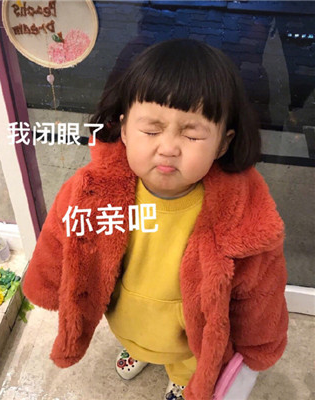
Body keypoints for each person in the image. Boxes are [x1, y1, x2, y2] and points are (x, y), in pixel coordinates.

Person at [22, 39, 289, 400]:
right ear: (124, 129)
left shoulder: (244, 216)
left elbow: (260, 288)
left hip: (188, 337)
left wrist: (259, 343)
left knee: (187, 362)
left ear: (222, 144)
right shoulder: (92, 190)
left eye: (192, 134)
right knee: (134, 335)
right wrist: (47, 283)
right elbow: (61, 236)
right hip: (127, 316)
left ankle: (180, 377)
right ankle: (138, 349)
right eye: (151, 130)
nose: (168, 147)